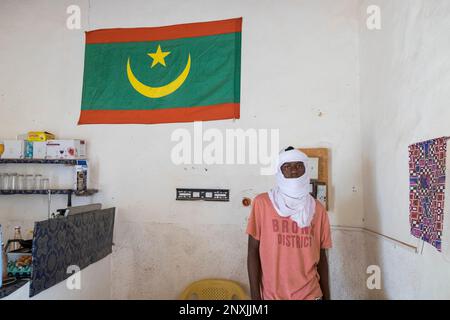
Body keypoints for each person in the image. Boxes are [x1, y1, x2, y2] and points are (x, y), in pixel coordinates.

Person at [246, 146, 332, 300]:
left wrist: (327, 297)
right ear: (279, 171)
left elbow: (322, 258)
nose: (293, 170)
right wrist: (255, 297)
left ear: (306, 170)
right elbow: (253, 251)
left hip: (311, 295)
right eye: (287, 166)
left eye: (299, 165)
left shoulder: (318, 209)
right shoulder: (262, 203)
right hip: (272, 296)